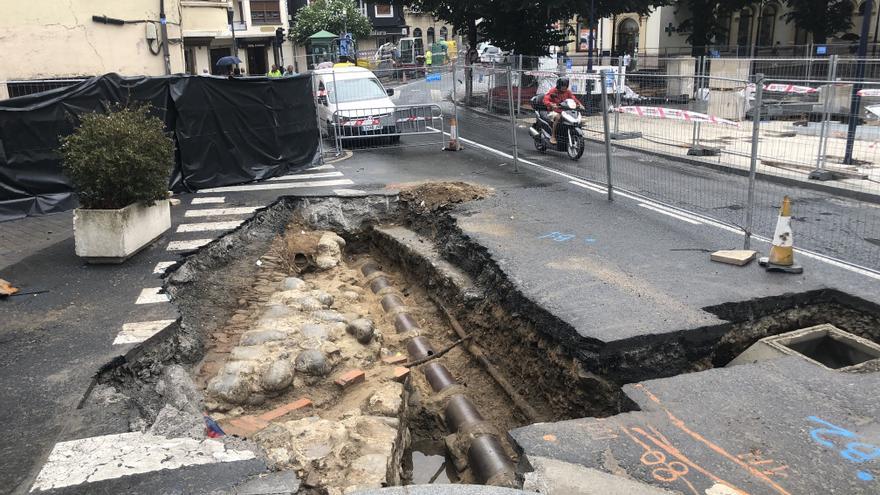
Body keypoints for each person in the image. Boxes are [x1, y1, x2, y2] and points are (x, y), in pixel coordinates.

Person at [542, 77, 583, 145]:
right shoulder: (553, 91)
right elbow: (545, 99)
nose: (564, 88)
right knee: (558, 117)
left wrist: (579, 104)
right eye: (563, 86)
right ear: (559, 85)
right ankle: (553, 136)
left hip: (565, 111)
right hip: (554, 111)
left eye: (565, 86)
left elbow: (573, 98)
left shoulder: (568, 92)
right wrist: (551, 104)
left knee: (576, 118)